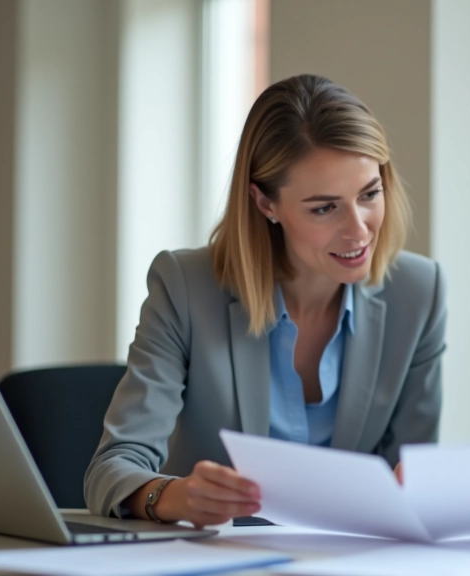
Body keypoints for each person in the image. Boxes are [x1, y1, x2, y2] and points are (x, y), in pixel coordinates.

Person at [85, 75, 446, 528]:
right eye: (324, 207)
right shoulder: (186, 287)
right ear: (264, 203)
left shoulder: (418, 292)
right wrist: (174, 496)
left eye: (369, 194)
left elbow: (413, 476)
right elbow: (112, 467)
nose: (359, 229)